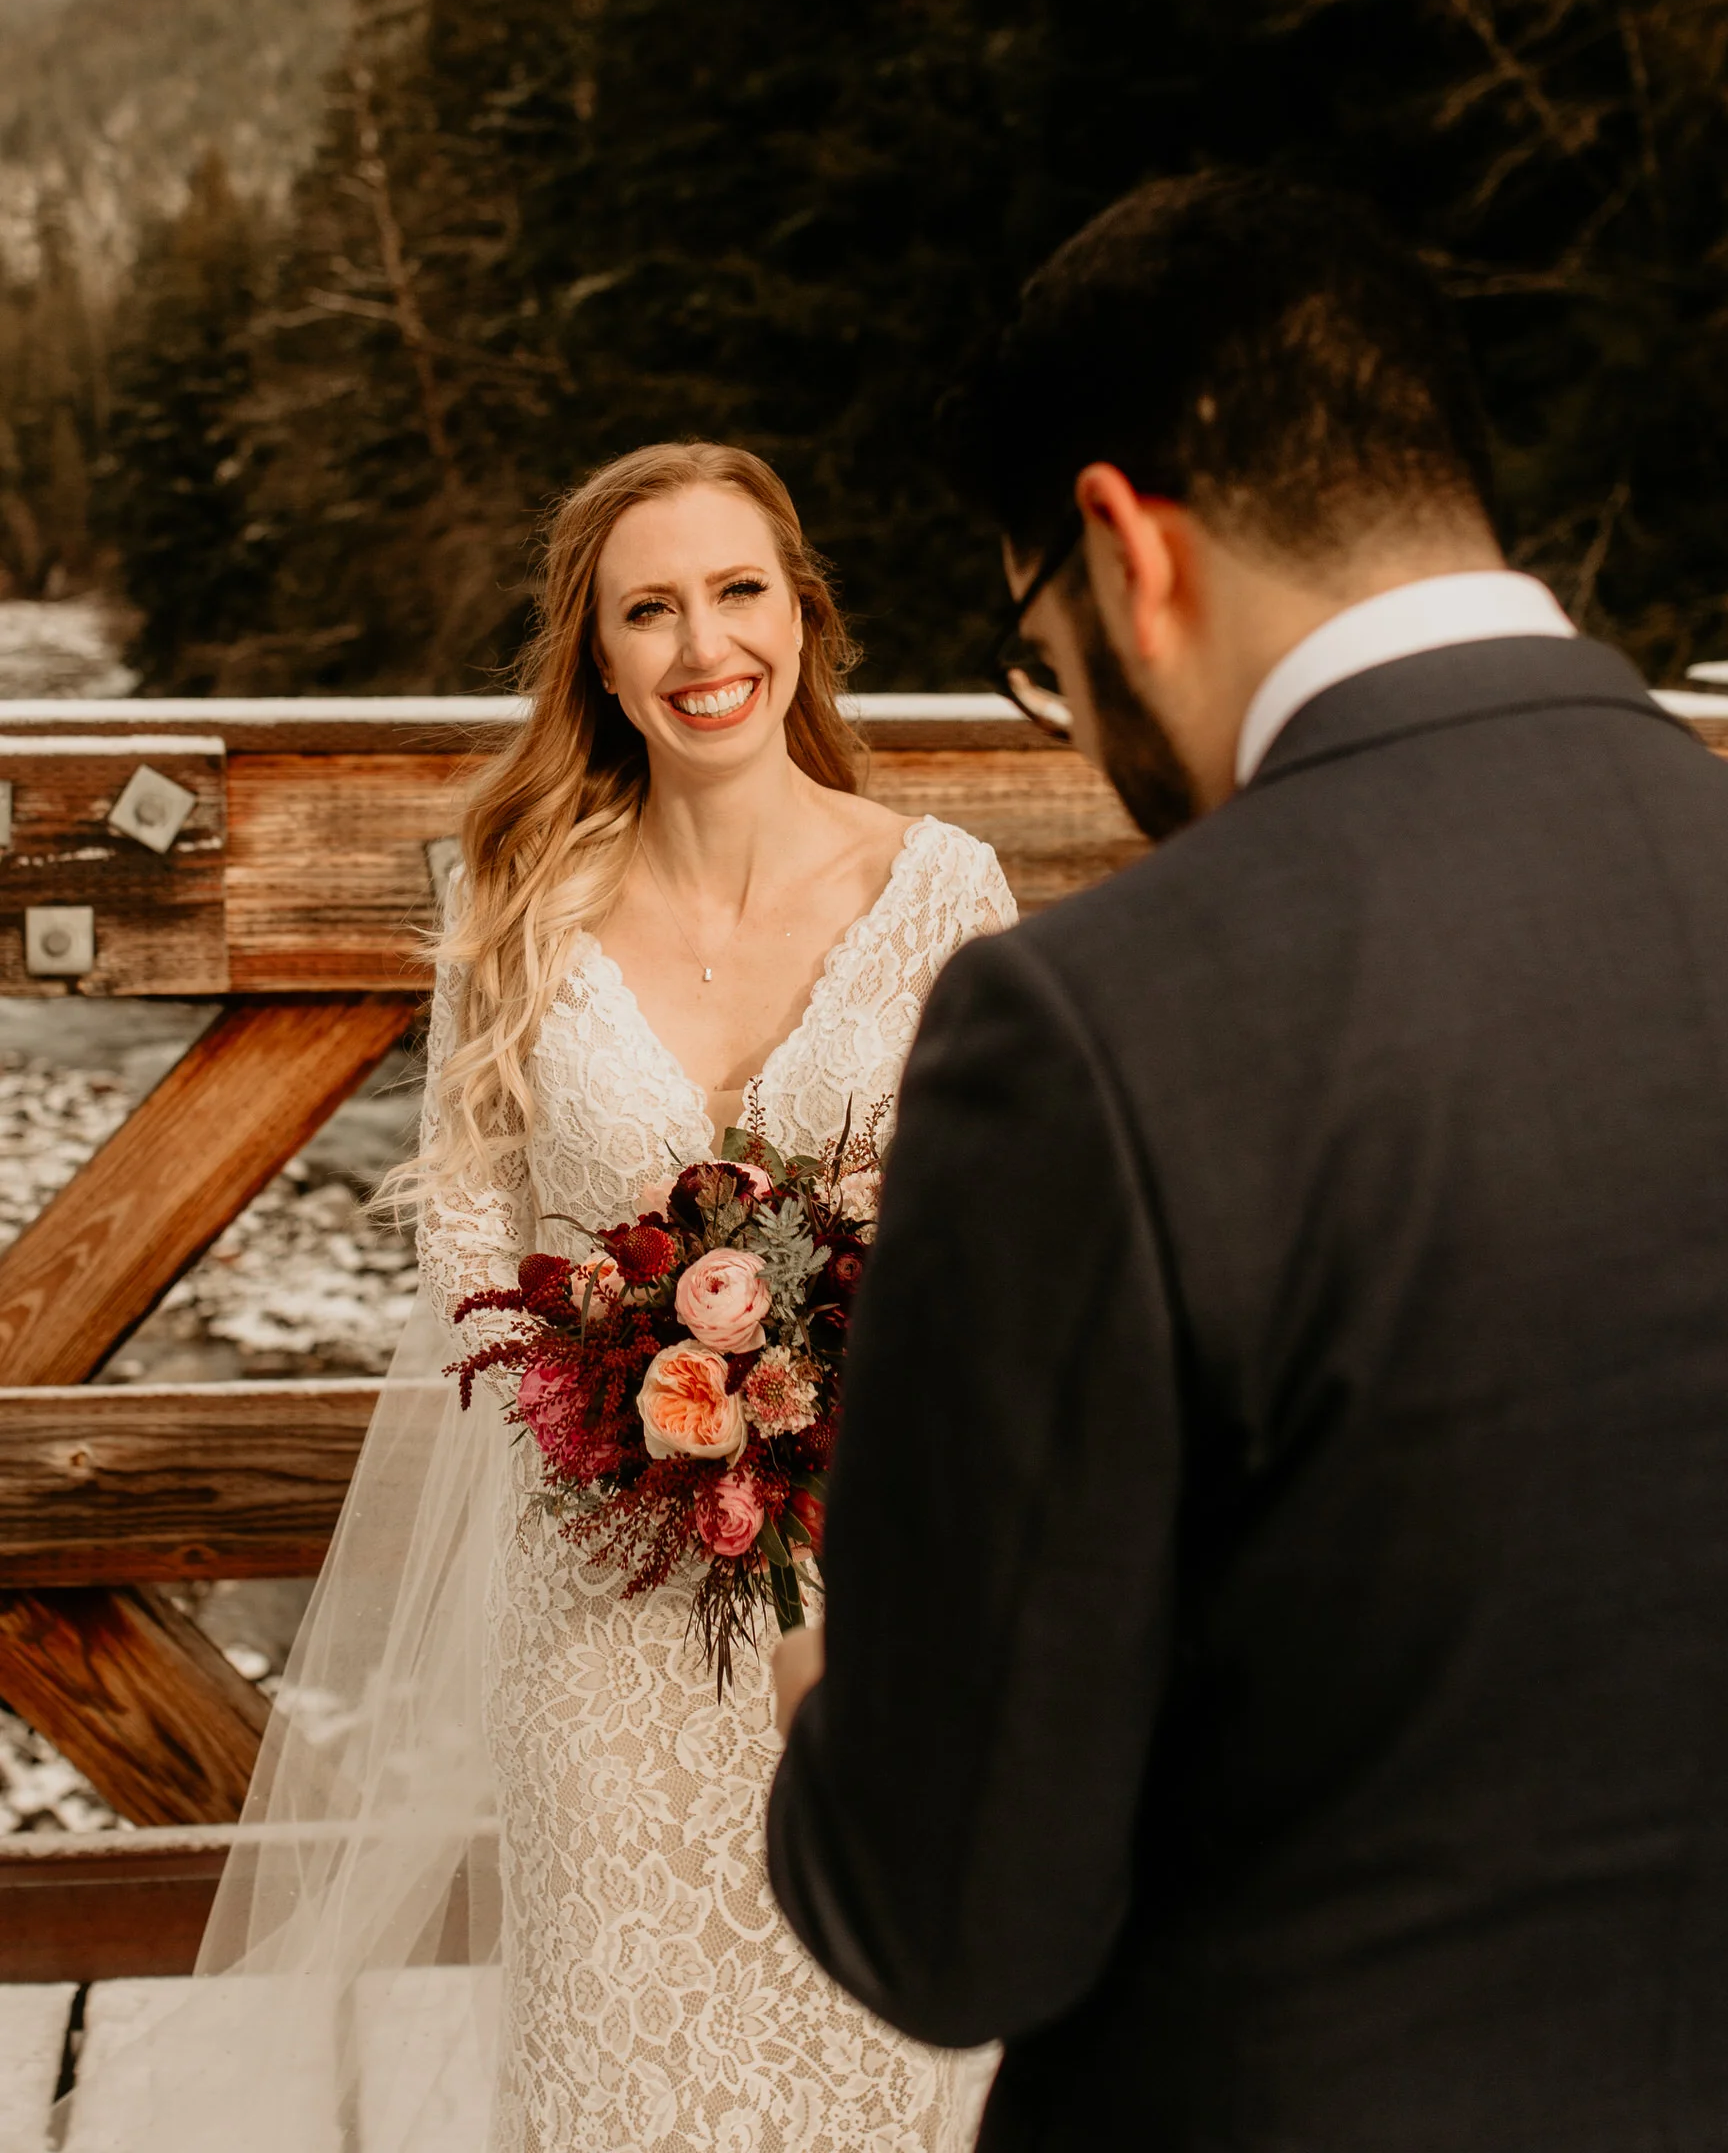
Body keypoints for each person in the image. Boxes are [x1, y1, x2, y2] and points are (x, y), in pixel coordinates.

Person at [766, 172, 1728, 2151]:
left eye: (1043, 640)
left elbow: (956, 1927)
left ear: (1127, 551)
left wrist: (828, 1733)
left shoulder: (1098, 1031)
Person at [69, 441, 1012, 2153]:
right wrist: (616, 1407)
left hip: (873, 1575)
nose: (699, 646)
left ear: (801, 615)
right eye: (645, 609)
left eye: (737, 592)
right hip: (598, 1585)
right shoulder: (520, 894)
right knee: (617, 2047)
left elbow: (1007, 1250)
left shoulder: (942, 892)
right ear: (592, 651)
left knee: (871, 2034)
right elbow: (466, 1232)